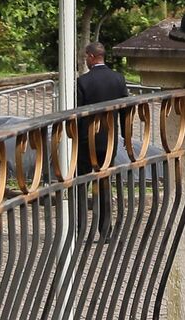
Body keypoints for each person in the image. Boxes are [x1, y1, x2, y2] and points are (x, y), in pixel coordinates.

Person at [75, 42, 128, 237]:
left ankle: (79, 230)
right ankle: (105, 230)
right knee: (104, 181)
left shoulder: (83, 82)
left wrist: (76, 137)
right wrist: (125, 135)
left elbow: (78, 113)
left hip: (85, 141)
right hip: (109, 139)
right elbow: (125, 110)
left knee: (81, 183)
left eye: (85, 58)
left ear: (90, 56)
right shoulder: (118, 79)